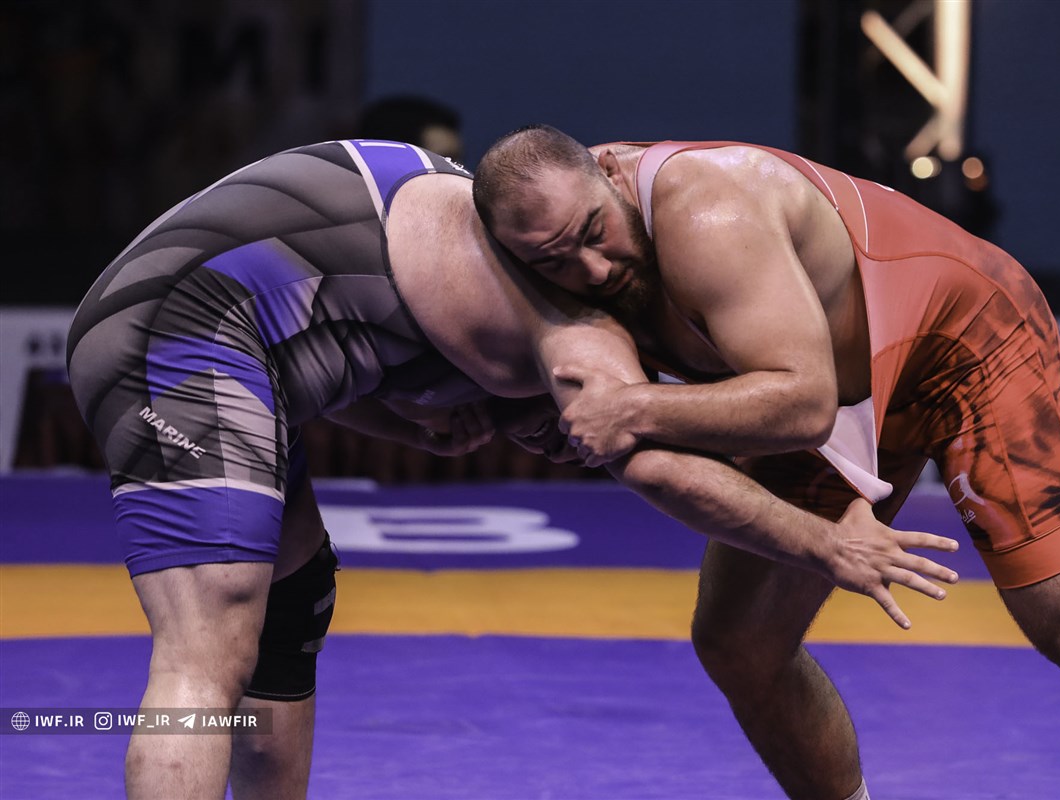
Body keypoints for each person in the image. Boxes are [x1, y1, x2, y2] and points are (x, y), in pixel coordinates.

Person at [68, 139, 960, 799]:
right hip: (172, 325)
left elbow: (312, 335)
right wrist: (821, 543)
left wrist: (412, 419)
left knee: (286, 622)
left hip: (226, 320)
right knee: (211, 644)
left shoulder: (500, 240)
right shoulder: (577, 326)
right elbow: (653, 466)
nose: (595, 269)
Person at [471, 126, 1060, 800]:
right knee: (741, 645)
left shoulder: (705, 211)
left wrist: (632, 407)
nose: (593, 269)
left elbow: (803, 405)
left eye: (593, 233)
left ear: (608, 171)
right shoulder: (529, 257)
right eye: (553, 261)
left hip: (964, 342)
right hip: (829, 393)